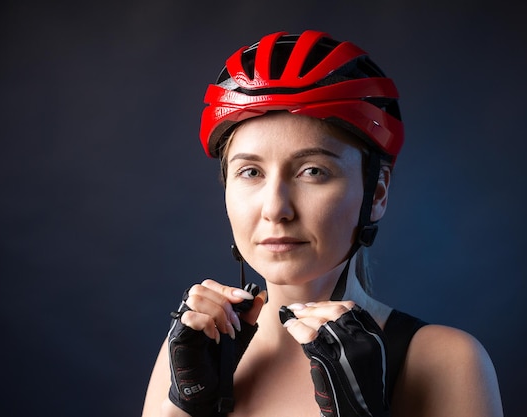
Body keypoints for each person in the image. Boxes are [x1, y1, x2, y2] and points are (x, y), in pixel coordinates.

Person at [142, 30, 503, 417]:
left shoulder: (445, 361)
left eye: (313, 171)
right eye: (250, 172)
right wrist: (183, 409)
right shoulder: (189, 354)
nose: (276, 208)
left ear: (376, 194)